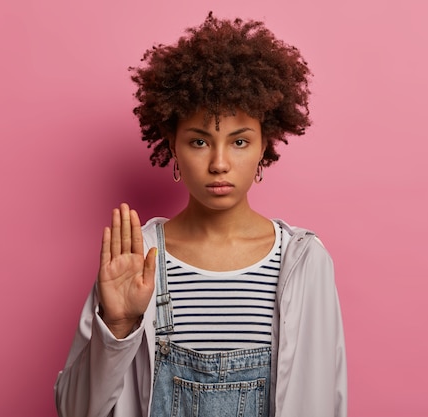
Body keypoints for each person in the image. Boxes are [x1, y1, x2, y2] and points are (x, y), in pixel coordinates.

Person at [55, 12, 347, 417]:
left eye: (240, 141)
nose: (219, 163)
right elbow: (73, 411)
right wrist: (117, 328)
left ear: (265, 145)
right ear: (173, 145)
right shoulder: (138, 258)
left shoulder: (303, 261)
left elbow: (324, 403)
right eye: (199, 141)